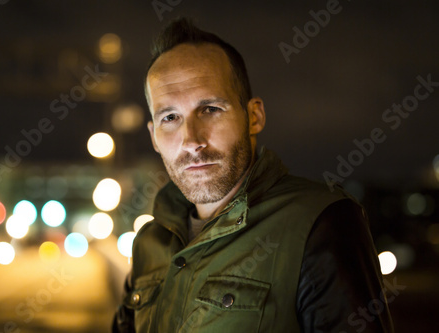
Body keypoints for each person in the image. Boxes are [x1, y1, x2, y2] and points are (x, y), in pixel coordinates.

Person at [113, 17, 393, 332]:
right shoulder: (150, 242)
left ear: (254, 116)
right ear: (153, 136)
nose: (191, 140)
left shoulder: (321, 222)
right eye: (170, 117)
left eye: (210, 109)